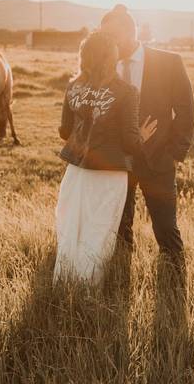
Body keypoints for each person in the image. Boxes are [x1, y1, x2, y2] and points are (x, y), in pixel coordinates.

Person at [98, 5, 194, 275]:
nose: (107, 43)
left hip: (159, 160)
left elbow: (186, 110)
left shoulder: (168, 62)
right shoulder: (102, 67)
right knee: (119, 226)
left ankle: (175, 283)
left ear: (130, 32)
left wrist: (174, 152)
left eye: (112, 36)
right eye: (103, 37)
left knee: (166, 228)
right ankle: (121, 281)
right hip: (117, 162)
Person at [54, 30, 157, 282]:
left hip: (76, 172)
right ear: (112, 58)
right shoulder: (126, 91)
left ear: (84, 56)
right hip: (109, 174)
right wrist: (143, 136)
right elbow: (130, 142)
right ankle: (87, 293)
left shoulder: (73, 86)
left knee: (70, 230)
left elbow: (65, 131)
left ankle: (64, 284)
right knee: (99, 233)